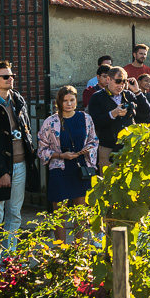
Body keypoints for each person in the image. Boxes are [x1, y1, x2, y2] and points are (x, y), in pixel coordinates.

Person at [0, 61, 39, 269]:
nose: (10, 79)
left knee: (14, 213)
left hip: (20, 164)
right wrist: (1, 171)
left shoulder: (17, 99)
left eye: (11, 75)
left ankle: (9, 258)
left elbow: (26, 129)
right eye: (5, 76)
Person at [38, 86, 98, 243]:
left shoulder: (85, 118)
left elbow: (94, 140)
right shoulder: (50, 122)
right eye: (65, 101)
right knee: (59, 213)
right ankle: (60, 250)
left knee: (81, 212)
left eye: (72, 100)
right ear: (59, 102)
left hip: (81, 169)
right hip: (60, 170)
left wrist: (87, 150)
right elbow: (41, 150)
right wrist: (60, 155)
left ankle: (78, 248)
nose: (69, 104)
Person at [89, 66, 150, 168]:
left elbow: (146, 112)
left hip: (128, 147)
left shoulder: (129, 95)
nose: (121, 85)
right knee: (108, 181)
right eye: (118, 81)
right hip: (108, 147)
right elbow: (94, 122)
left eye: (124, 81)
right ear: (108, 79)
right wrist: (112, 114)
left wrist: (137, 91)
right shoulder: (97, 97)